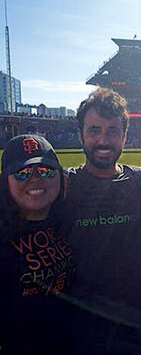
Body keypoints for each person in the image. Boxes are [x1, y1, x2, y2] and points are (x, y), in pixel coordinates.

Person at [63, 87, 141, 354]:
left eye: (113, 131)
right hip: (82, 327)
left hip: (137, 326)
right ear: (80, 134)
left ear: (124, 136)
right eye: (94, 130)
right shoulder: (63, 186)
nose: (103, 140)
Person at [0, 134, 75, 355]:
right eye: (22, 173)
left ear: (60, 177)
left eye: (46, 171)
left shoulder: (65, 220)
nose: (35, 179)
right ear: (5, 181)